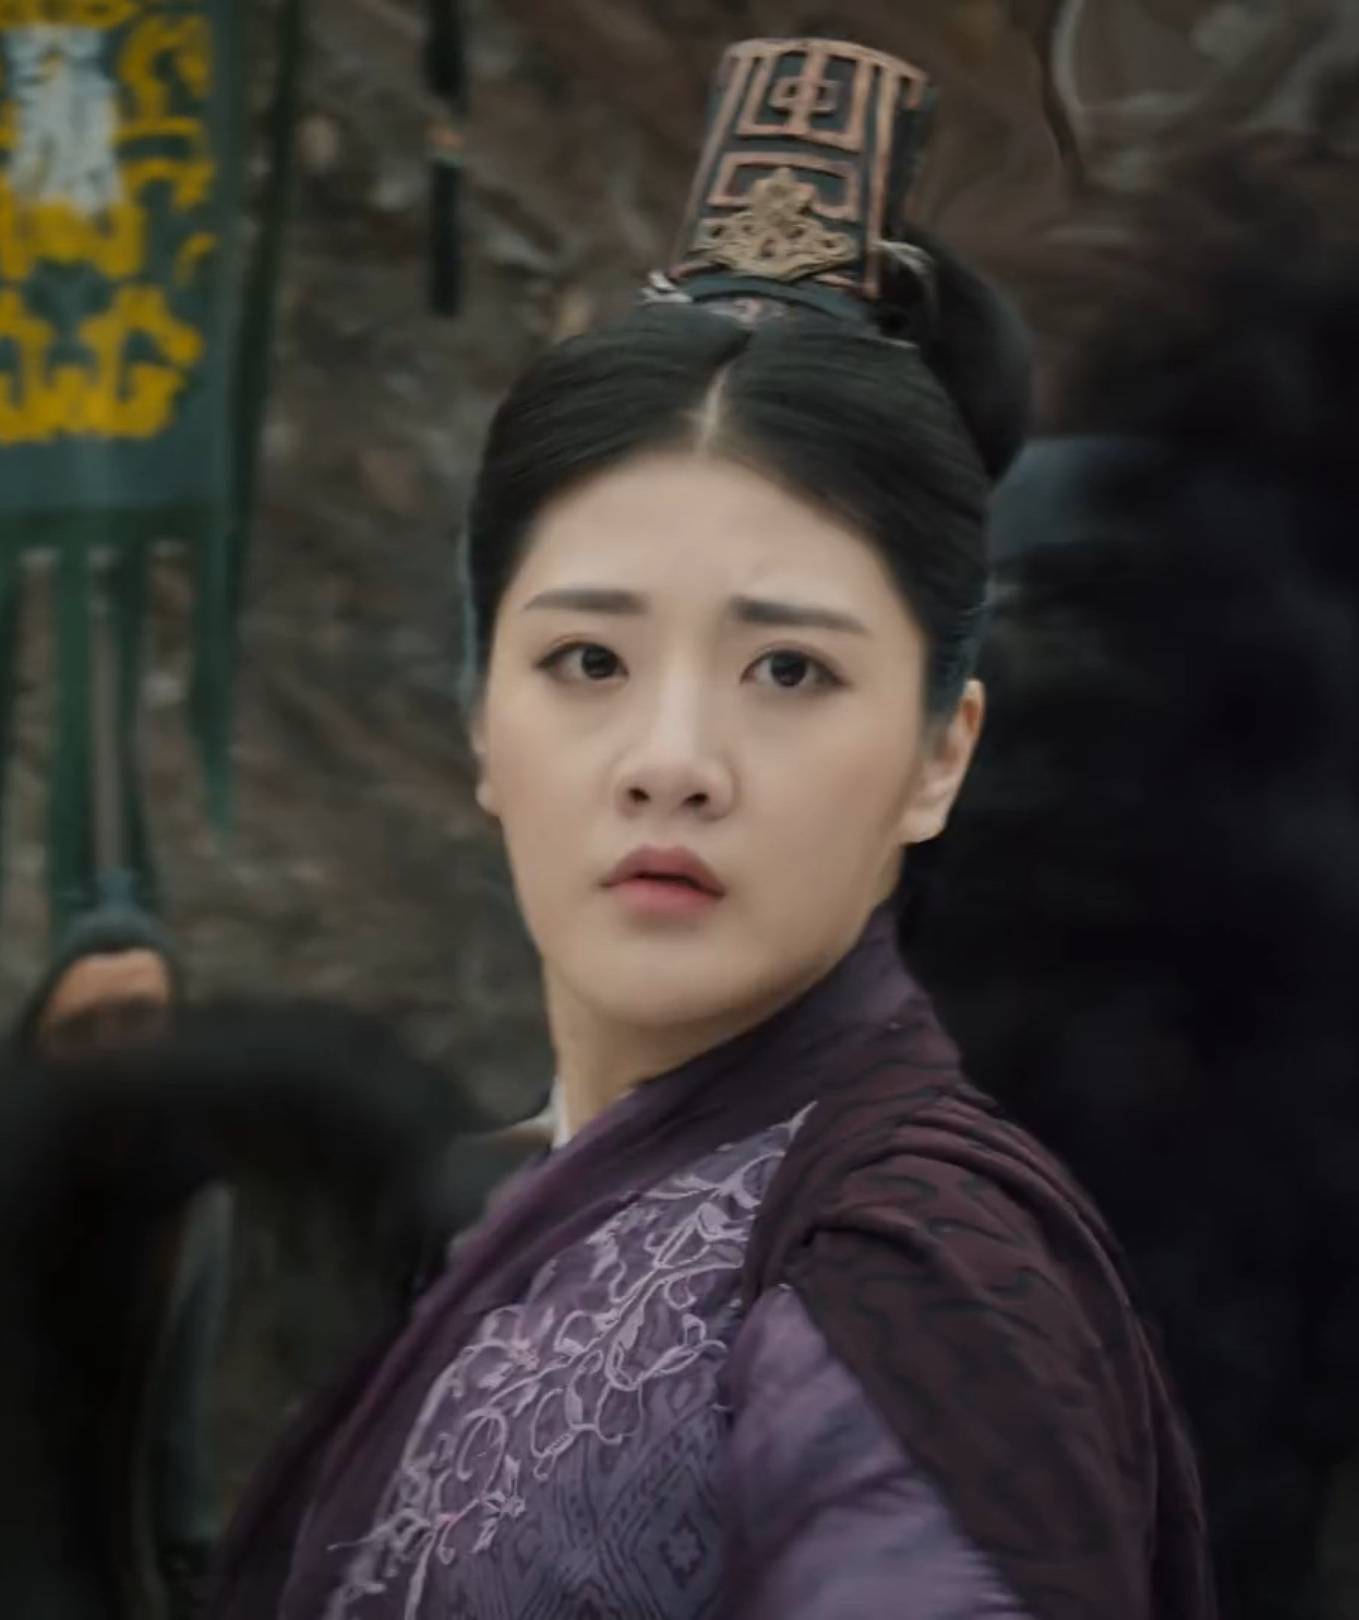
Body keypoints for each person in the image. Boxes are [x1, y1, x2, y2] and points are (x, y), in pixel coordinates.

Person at [206, 37, 1212, 1620]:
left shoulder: (909, 1282)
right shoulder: (522, 1202)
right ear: (481, 719)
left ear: (940, 754)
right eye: (587, 662)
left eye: (789, 670)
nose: (671, 763)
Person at [0, 875, 233, 1620]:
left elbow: (176, 1426)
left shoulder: (195, 1207)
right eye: (83, 1029)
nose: (114, 1053)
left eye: (139, 1020)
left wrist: (191, 1570)